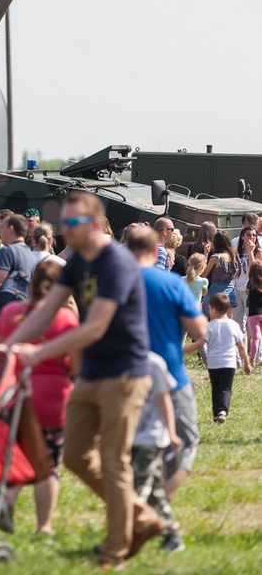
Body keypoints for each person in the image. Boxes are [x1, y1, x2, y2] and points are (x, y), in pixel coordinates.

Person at [3, 191, 162, 570]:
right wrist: (5, 346)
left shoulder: (116, 263)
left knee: (113, 464)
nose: (64, 231)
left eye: (72, 224)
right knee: (74, 456)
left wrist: (39, 353)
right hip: (91, 375)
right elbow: (45, 312)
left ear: (93, 224)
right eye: (63, 225)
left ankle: (113, 553)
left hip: (123, 375)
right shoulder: (74, 262)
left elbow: (94, 327)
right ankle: (142, 517)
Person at [127, 224, 207, 553]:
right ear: (154, 250)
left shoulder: (115, 285)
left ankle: (145, 512)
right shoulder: (172, 283)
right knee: (186, 442)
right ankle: (153, 511)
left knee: (140, 453)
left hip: (129, 378)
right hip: (172, 376)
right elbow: (199, 327)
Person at [0, 260, 80, 536]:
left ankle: (7, 500)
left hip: (14, 395)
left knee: (16, 456)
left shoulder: (10, 312)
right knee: (48, 465)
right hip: (53, 400)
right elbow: (75, 365)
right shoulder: (66, 319)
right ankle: (44, 527)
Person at [130, 352, 182, 553]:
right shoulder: (118, 359)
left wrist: (171, 433)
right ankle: (171, 535)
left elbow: (164, 399)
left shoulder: (153, 362)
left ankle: (124, 538)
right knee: (155, 492)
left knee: (138, 489)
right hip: (127, 436)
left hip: (151, 439)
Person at [185, 293, 251, 424]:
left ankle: (216, 415)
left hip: (214, 364)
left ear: (214, 310)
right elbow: (242, 347)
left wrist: (181, 350)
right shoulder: (234, 325)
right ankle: (223, 411)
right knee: (225, 389)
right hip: (229, 363)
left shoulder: (209, 326)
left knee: (215, 388)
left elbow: (198, 344)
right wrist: (247, 363)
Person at [233, 226, 261, 345]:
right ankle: (242, 354)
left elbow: (254, 271)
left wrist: (250, 252)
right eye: (249, 234)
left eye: (254, 235)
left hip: (251, 291)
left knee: (254, 326)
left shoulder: (258, 252)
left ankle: (258, 356)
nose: (252, 237)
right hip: (236, 289)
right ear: (242, 237)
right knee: (238, 324)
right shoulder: (237, 252)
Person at [201, 232, 237, 318]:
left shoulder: (216, 257)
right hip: (230, 288)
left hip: (216, 289)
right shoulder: (234, 256)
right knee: (228, 321)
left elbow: (204, 274)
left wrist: (206, 254)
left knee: (213, 320)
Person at [246, 262, 262, 366]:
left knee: (256, 337)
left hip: (253, 313)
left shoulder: (251, 282)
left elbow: (247, 293)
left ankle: (252, 359)